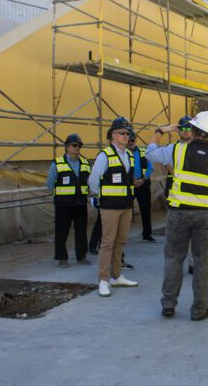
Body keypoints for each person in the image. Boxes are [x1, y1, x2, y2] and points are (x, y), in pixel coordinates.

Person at [146, 111, 208, 320]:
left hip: (179, 213)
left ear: (193, 131)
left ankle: (168, 304)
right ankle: (199, 309)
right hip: (206, 215)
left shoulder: (176, 150)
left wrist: (159, 131)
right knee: (202, 262)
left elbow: (150, 154)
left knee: (174, 258)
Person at [88, 117, 139, 298]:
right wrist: (97, 197)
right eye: (122, 133)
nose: (126, 136)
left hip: (125, 206)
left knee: (121, 241)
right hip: (110, 206)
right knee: (108, 242)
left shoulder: (129, 156)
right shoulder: (105, 156)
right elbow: (93, 181)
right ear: (112, 136)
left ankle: (116, 276)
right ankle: (103, 279)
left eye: (127, 133)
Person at [46, 133, 92, 268]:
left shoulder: (85, 163)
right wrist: (59, 194)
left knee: (81, 231)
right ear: (67, 147)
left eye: (79, 146)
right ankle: (62, 258)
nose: (77, 148)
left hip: (80, 203)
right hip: (63, 205)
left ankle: (81, 256)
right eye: (74, 145)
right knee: (61, 232)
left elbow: (90, 181)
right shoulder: (58, 163)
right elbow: (50, 183)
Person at [127, 131, 155, 242]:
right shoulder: (123, 154)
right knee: (124, 211)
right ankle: (122, 236)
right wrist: (130, 182)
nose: (130, 143)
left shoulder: (144, 151)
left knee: (146, 210)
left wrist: (143, 179)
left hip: (143, 184)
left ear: (136, 140)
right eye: (128, 141)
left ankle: (147, 234)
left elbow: (150, 166)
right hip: (129, 185)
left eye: (132, 140)